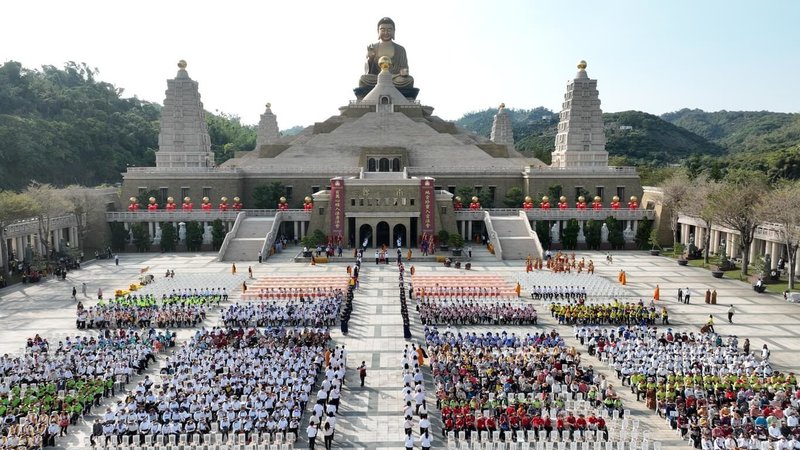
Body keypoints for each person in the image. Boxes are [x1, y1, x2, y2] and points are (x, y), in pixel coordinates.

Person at [359, 17, 414, 90]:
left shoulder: (400, 49)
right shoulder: (373, 47)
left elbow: (404, 68)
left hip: (394, 78)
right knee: (363, 79)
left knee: (409, 80)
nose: (386, 33)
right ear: (378, 31)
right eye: (383, 30)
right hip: (377, 79)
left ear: (394, 31)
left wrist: (404, 72)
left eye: (389, 30)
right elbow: (368, 72)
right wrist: (370, 58)